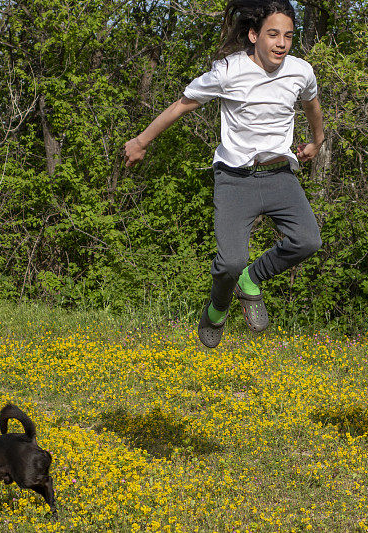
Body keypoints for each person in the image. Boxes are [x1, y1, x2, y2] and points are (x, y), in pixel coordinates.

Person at [123, 0, 324, 348]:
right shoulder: (228, 71)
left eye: (288, 36)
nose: (281, 43)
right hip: (235, 179)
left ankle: (252, 279)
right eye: (273, 34)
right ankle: (217, 307)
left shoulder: (300, 71)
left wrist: (317, 141)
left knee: (308, 241)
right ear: (253, 35)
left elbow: (311, 105)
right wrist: (141, 141)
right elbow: (181, 105)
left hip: (280, 176)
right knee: (230, 262)